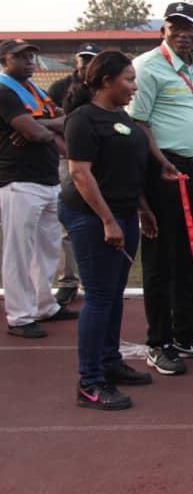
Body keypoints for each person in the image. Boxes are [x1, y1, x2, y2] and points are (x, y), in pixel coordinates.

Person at [60, 51, 157, 409]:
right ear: (106, 81)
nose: (134, 86)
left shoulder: (121, 117)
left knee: (114, 293)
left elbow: (128, 169)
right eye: (128, 79)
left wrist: (142, 209)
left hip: (124, 213)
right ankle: (89, 382)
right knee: (99, 297)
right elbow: (80, 174)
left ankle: (109, 362)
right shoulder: (83, 120)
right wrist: (108, 220)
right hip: (91, 217)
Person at [130, 2, 193, 373]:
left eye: (189, 27)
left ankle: (186, 332)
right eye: (175, 26)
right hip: (164, 169)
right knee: (161, 259)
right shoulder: (148, 67)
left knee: (192, 256)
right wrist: (161, 164)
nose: (183, 32)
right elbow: (139, 123)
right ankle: (159, 341)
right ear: (163, 29)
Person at [0, 38, 77, 338]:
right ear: (5, 59)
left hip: (46, 179)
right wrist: (45, 125)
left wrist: (44, 125)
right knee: (19, 251)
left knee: (47, 247)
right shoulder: (5, 91)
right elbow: (32, 130)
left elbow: (63, 122)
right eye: (21, 56)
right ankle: (19, 315)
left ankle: (44, 304)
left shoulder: (34, 90)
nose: (29, 61)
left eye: (31, 55)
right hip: (18, 180)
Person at [50, 43, 101, 306]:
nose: (87, 64)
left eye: (93, 59)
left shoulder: (102, 88)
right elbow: (56, 126)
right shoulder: (59, 88)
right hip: (67, 158)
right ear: (76, 61)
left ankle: (96, 279)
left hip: (100, 158)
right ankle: (68, 281)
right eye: (84, 59)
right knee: (70, 222)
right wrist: (70, 150)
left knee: (101, 215)